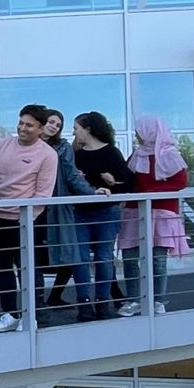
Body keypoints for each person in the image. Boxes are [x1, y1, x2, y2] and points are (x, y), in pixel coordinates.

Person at [0, 105, 58, 332]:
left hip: (23, 221)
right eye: (21, 123)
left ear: (41, 129)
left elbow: (43, 193)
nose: (23, 128)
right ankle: (10, 314)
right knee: (2, 267)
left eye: (29, 125)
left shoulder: (48, 154)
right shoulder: (2, 145)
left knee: (27, 269)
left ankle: (31, 315)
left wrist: (26, 219)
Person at [118, 114, 189, 317]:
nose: (138, 135)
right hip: (134, 211)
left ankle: (158, 300)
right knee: (130, 257)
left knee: (158, 259)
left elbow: (179, 181)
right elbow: (128, 179)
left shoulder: (169, 153)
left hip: (162, 212)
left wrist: (150, 193)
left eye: (140, 130)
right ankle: (133, 300)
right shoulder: (136, 155)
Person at [38, 108, 98, 320]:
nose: (54, 126)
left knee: (70, 253)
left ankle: (83, 304)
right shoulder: (25, 145)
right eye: (51, 122)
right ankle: (36, 307)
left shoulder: (63, 148)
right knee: (32, 258)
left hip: (56, 209)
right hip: (31, 209)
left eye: (58, 124)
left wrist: (92, 192)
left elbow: (72, 176)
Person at [71, 111, 132, 321]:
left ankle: (103, 301)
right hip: (81, 212)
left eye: (76, 128)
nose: (74, 132)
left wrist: (112, 185)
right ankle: (84, 303)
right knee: (79, 259)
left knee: (104, 258)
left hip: (107, 212)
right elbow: (68, 184)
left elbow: (129, 183)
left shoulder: (111, 152)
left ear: (88, 129)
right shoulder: (76, 155)